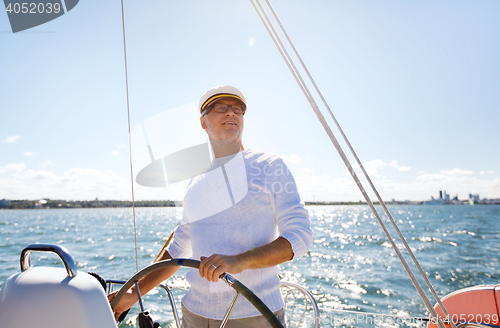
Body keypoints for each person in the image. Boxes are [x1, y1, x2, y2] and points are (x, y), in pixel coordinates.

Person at [109, 85, 313, 327]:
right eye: (220, 108)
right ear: (203, 123)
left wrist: (238, 261)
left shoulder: (270, 167)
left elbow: (300, 237)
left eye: (238, 109)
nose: (231, 113)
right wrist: (134, 293)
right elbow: (177, 248)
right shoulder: (195, 182)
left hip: (253, 314)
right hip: (193, 314)